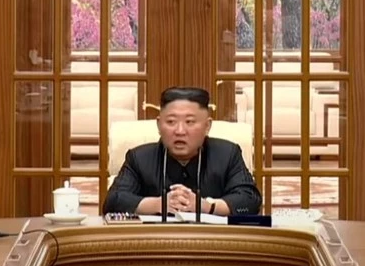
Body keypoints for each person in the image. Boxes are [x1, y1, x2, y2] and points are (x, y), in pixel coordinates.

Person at [103, 86, 262, 216]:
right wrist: (158, 204)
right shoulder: (139, 158)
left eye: (190, 122)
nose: (180, 131)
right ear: (158, 125)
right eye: (171, 122)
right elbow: (113, 202)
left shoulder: (227, 154)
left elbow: (250, 202)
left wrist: (207, 206)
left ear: (207, 126)